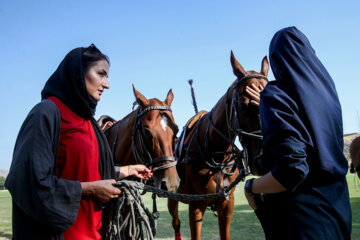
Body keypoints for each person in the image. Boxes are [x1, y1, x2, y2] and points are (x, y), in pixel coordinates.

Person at [5, 44, 152, 240]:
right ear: (78, 73)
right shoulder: (46, 113)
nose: (106, 84)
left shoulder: (89, 122)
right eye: (101, 74)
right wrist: (90, 189)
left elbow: (88, 170)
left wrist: (128, 170)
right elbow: (28, 182)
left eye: (107, 77)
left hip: (94, 234)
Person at [244, 27, 352, 239]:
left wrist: (251, 186)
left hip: (302, 223)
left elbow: (291, 171)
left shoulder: (276, 96)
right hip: (339, 216)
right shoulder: (330, 96)